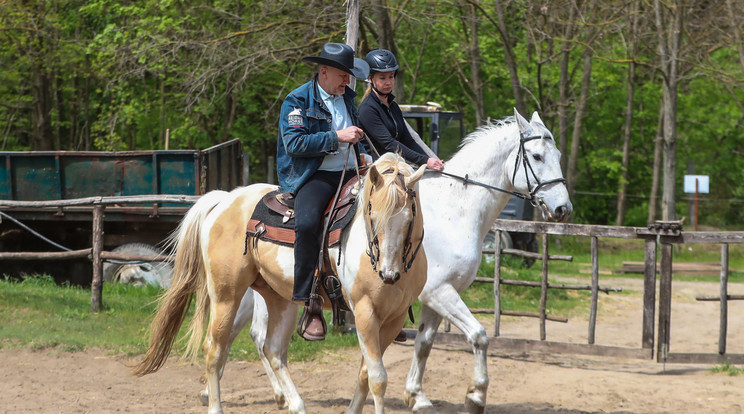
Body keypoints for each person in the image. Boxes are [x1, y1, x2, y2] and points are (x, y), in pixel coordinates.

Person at [276, 43, 369, 341]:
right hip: (315, 175)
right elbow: (295, 145)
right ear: (324, 72)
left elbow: (356, 136)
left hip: (352, 172)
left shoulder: (347, 98)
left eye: (350, 76)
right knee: (306, 223)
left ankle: (383, 299)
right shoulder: (296, 100)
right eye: (343, 75)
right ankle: (309, 301)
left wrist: (364, 154)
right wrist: (337, 136)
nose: (347, 81)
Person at [358, 49, 444, 171]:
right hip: (376, 171)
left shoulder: (393, 107)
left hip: (395, 166)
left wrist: (428, 160)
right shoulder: (367, 109)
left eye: (391, 76)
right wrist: (425, 161)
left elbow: (408, 140)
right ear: (370, 78)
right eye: (382, 78)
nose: (388, 82)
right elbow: (389, 144)